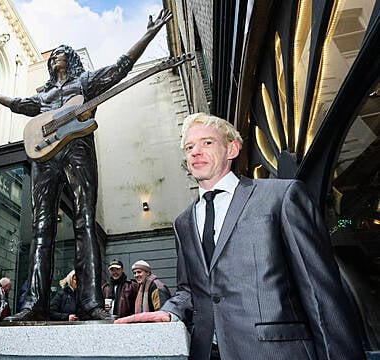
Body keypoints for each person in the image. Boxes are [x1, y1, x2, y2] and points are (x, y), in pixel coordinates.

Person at [115, 113, 365, 360]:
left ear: (232, 149)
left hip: (275, 351)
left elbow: (319, 291)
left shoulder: (281, 197)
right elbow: (190, 290)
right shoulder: (183, 222)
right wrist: (170, 312)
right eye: (189, 147)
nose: (195, 152)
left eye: (207, 142)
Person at [0, 10, 172, 322]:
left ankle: (90, 303)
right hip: (44, 154)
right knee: (41, 228)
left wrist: (147, 35)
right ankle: (33, 304)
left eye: (61, 53)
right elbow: (21, 105)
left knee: (85, 221)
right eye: (52, 56)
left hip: (78, 149)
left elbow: (121, 67)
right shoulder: (43, 94)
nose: (55, 58)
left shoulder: (85, 81)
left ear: (71, 59)